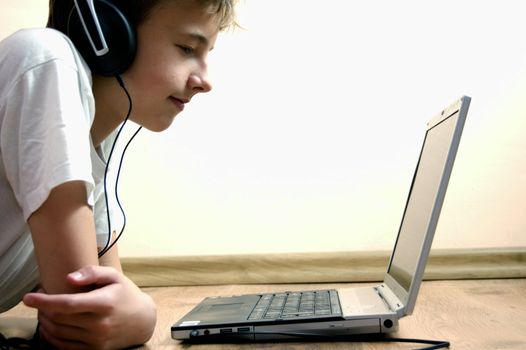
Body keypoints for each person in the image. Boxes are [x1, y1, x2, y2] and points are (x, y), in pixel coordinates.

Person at [0, 0, 237, 348]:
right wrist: (145, 315)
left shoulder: (100, 124)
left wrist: (133, 312)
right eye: (187, 48)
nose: (205, 81)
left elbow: (105, 296)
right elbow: (81, 317)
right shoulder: (45, 60)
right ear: (106, 32)